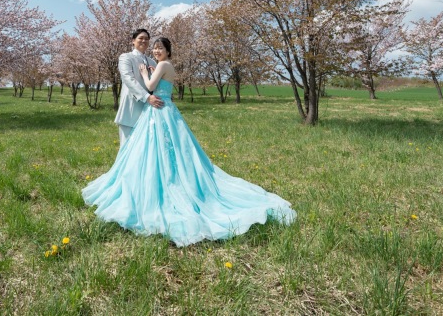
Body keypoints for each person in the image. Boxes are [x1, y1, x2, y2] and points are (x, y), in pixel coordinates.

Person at [83, 37, 296, 247]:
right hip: (163, 110)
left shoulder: (162, 65)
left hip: (158, 110)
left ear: (168, 51)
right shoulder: (163, 65)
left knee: (160, 150)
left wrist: (145, 73)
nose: (156, 51)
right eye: (155, 48)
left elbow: (149, 85)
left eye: (160, 48)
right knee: (167, 150)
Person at [114, 28, 164, 147]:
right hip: (131, 108)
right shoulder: (126, 57)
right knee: (127, 147)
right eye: (140, 38)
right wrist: (147, 97)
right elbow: (128, 78)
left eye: (146, 39)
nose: (144, 41)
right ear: (133, 41)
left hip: (149, 109)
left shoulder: (152, 62)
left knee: (145, 148)